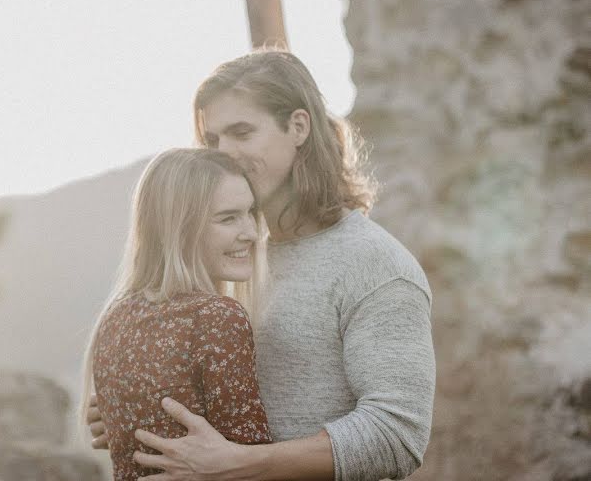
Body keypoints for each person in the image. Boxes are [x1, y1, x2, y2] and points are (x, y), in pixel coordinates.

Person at [87, 51, 435, 481]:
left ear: (298, 127)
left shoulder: (376, 266)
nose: (225, 153)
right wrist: (142, 399)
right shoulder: (231, 251)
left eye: (241, 133)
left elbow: (396, 436)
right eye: (212, 139)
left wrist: (239, 464)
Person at [78, 148, 275, 480]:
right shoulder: (216, 318)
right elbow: (249, 468)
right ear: (180, 229)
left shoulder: (115, 319)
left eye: (250, 213)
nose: (252, 233)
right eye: (228, 218)